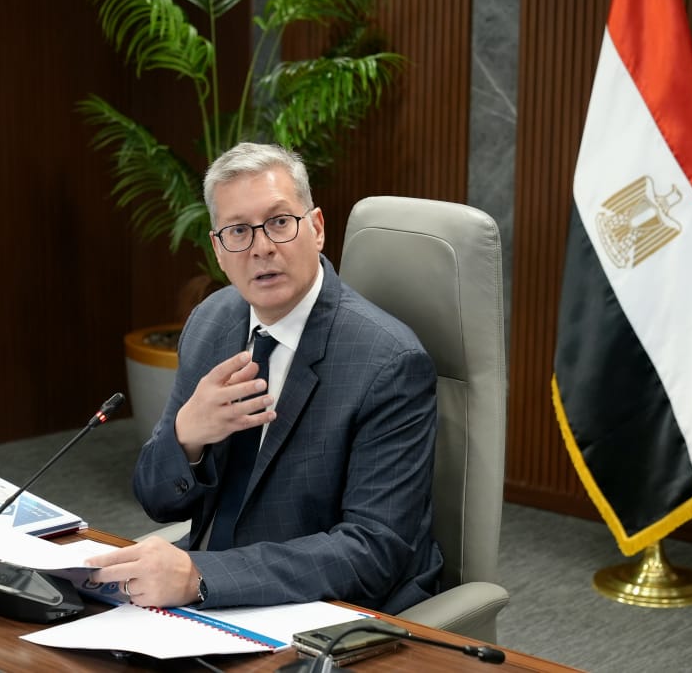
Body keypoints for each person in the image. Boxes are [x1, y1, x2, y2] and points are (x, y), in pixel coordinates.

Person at [87, 142, 442, 614]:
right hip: (211, 592)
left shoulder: (389, 362)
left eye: (279, 222)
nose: (261, 248)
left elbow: (373, 552)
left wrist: (201, 577)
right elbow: (158, 501)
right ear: (218, 250)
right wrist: (186, 437)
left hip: (326, 609)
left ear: (316, 228)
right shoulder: (211, 323)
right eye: (238, 231)